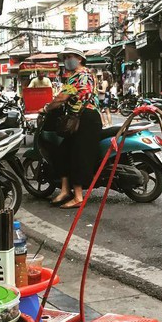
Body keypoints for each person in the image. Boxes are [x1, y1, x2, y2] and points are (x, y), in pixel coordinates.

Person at [42, 47, 102, 209]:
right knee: (62, 152)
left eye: (70, 57)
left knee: (78, 155)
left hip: (86, 120)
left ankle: (78, 197)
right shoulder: (80, 75)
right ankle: (64, 190)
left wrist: (47, 108)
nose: (67, 60)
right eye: (66, 57)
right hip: (78, 119)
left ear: (80, 59)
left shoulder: (80, 76)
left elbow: (61, 97)